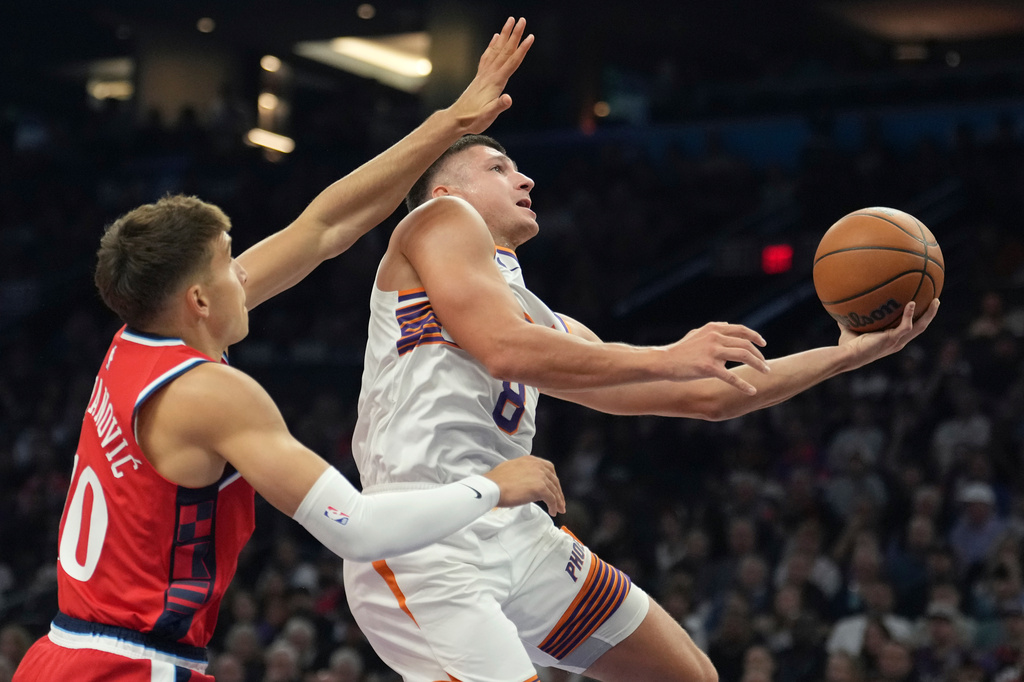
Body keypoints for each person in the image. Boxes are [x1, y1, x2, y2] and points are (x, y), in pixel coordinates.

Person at [14, 19, 566, 682]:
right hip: (131, 666)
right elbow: (356, 528)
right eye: (227, 265)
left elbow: (323, 227)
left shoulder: (135, 340)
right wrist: (491, 487)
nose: (243, 272)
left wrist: (450, 122)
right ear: (196, 298)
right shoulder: (210, 394)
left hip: (60, 651)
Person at [341, 132, 940, 681]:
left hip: (515, 529)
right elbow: (502, 349)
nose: (524, 180)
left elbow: (707, 397)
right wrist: (670, 355)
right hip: (422, 534)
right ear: (447, 192)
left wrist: (847, 356)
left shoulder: (543, 321)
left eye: (519, 168)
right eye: (499, 168)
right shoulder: (438, 218)